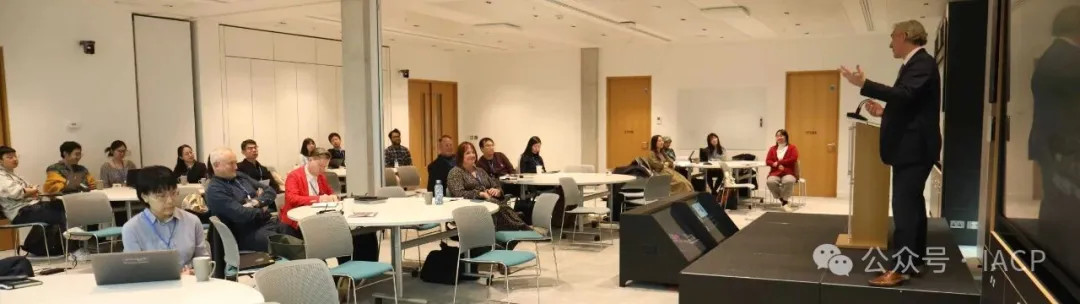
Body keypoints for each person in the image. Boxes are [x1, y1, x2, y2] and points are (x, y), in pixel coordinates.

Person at [841, 19, 941, 287]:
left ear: (906, 36)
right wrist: (885, 112)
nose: (890, 42)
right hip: (913, 147)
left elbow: (905, 95)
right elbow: (911, 106)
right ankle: (914, 260)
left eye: (893, 37)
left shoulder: (921, 63)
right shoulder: (916, 64)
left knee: (904, 209)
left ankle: (901, 269)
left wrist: (865, 84)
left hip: (914, 149)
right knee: (913, 206)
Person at [282, 148, 380, 262]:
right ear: (310, 160)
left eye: (325, 166)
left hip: (319, 218)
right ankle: (346, 270)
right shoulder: (294, 176)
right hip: (299, 223)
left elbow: (329, 193)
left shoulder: (321, 177)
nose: (322, 169)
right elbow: (292, 198)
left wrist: (334, 197)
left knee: (361, 235)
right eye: (320, 165)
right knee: (342, 236)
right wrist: (318, 199)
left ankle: (360, 268)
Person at [121, 166, 209, 271]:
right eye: (161, 196)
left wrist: (194, 272)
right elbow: (134, 271)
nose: (170, 201)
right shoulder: (132, 228)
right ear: (145, 196)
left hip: (189, 283)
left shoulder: (192, 221)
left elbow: (204, 260)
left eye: (173, 193)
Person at [204, 148, 283, 252]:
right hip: (247, 233)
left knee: (295, 231)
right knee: (287, 245)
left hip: (266, 223)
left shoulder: (240, 177)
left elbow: (270, 191)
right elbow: (242, 214)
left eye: (235, 163)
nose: (236, 167)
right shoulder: (215, 190)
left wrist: (256, 202)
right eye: (231, 163)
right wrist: (262, 209)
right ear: (217, 165)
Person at [446, 142, 528, 231]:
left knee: (502, 209)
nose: (472, 155)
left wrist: (497, 191)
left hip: (491, 203)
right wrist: (480, 194)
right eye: (468, 153)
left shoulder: (480, 171)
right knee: (505, 213)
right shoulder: (455, 172)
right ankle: (520, 226)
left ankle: (517, 227)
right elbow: (458, 193)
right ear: (461, 156)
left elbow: (495, 185)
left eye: (473, 152)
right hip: (472, 208)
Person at [0, 146, 67, 254]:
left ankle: (39, 248)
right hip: (20, 212)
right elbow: (16, 193)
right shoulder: (1, 176)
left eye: (15, 156)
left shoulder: (14, 175)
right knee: (60, 212)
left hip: (30, 207)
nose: (14, 159)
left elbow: (30, 190)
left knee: (63, 205)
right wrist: (31, 191)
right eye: (10, 157)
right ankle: (71, 249)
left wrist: (33, 192)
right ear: (0, 161)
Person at [765, 130, 799, 212]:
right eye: (777, 136)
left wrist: (779, 162)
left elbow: (793, 158)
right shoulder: (772, 149)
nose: (779, 137)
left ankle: (784, 201)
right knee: (770, 182)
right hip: (775, 172)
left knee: (788, 181)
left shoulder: (792, 148)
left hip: (788, 172)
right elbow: (768, 161)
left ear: (786, 137)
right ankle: (784, 201)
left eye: (781, 135)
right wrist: (774, 164)